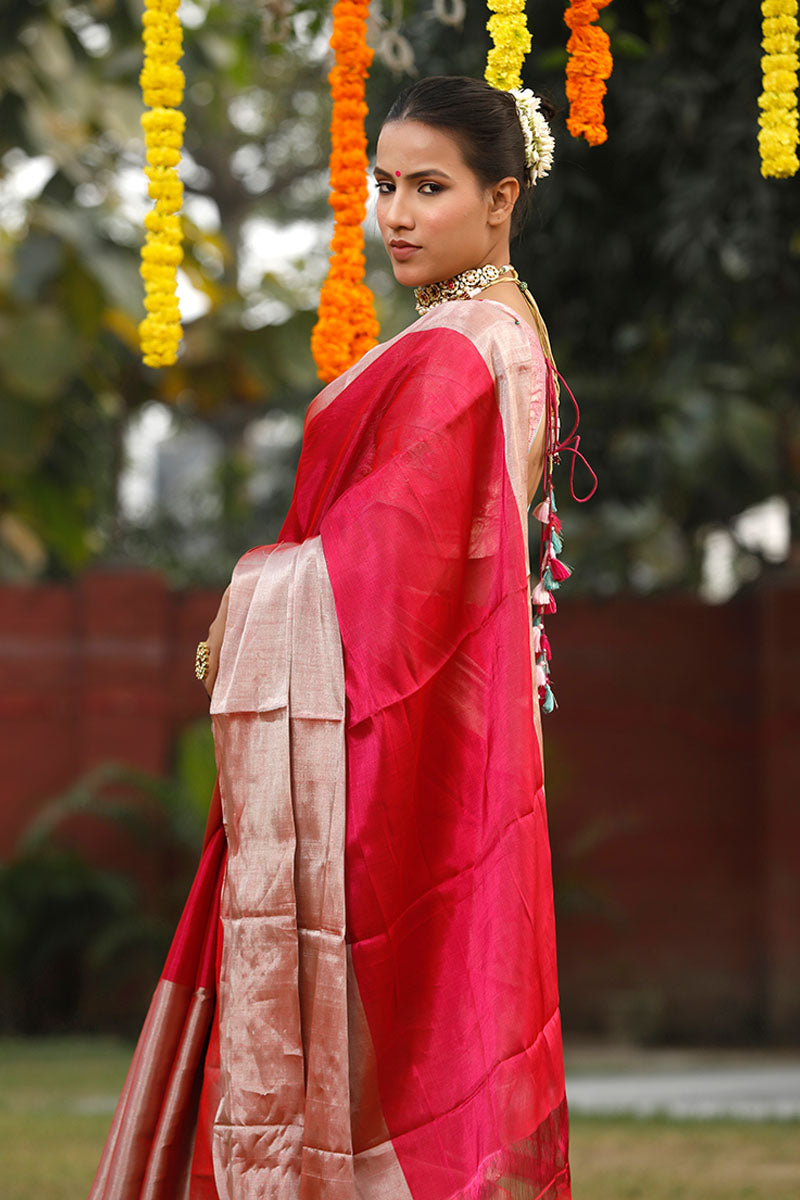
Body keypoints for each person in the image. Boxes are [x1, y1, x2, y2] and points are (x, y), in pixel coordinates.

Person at [89, 75, 595, 1200]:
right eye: (384, 187)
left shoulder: (467, 347)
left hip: (393, 732)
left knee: (382, 1027)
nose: (398, 214)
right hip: (416, 727)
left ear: (500, 198)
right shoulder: (483, 334)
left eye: (430, 187)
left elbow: (391, 572)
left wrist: (251, 598)